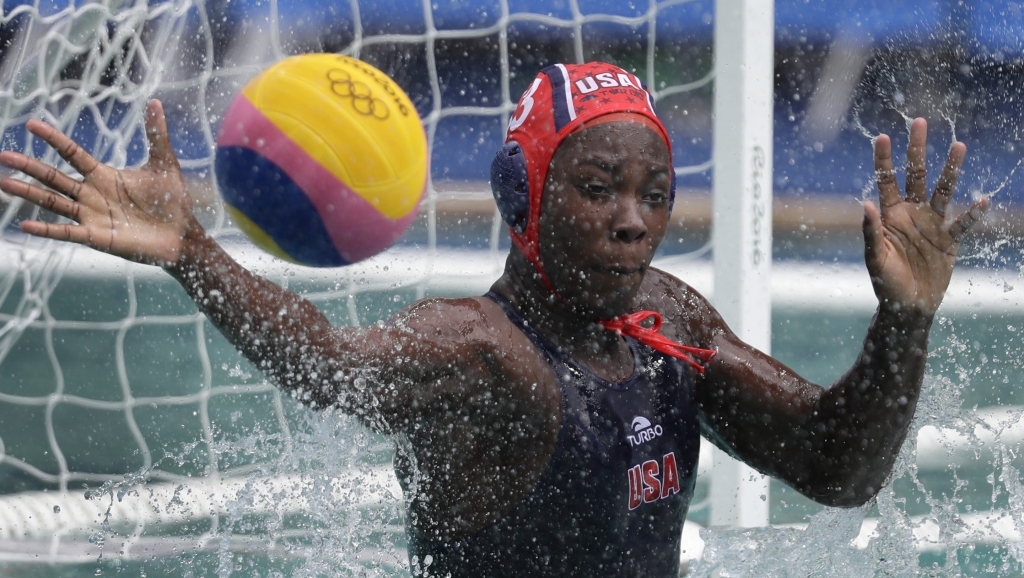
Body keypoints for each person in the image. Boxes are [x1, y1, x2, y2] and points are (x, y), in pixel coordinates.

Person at [0, 62, 988, 577]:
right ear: (524, 197)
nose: (635, 218)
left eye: (653, 191)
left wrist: (904, 318)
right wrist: (191, 251)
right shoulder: (478, 349)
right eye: (598, 188)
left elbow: (837, 466)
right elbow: (325, 362)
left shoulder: (668, 320)